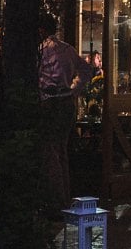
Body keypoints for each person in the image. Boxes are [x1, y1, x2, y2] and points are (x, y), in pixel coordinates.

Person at [37, 11, 92, 209]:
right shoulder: (67, 49)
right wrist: (73, 89)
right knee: (61, 151)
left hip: (49, 102)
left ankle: (56, 202)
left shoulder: (40, 50)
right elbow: (86, 70)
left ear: (40, 30)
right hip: (66, 102)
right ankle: (65, 197)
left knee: (49, 152)